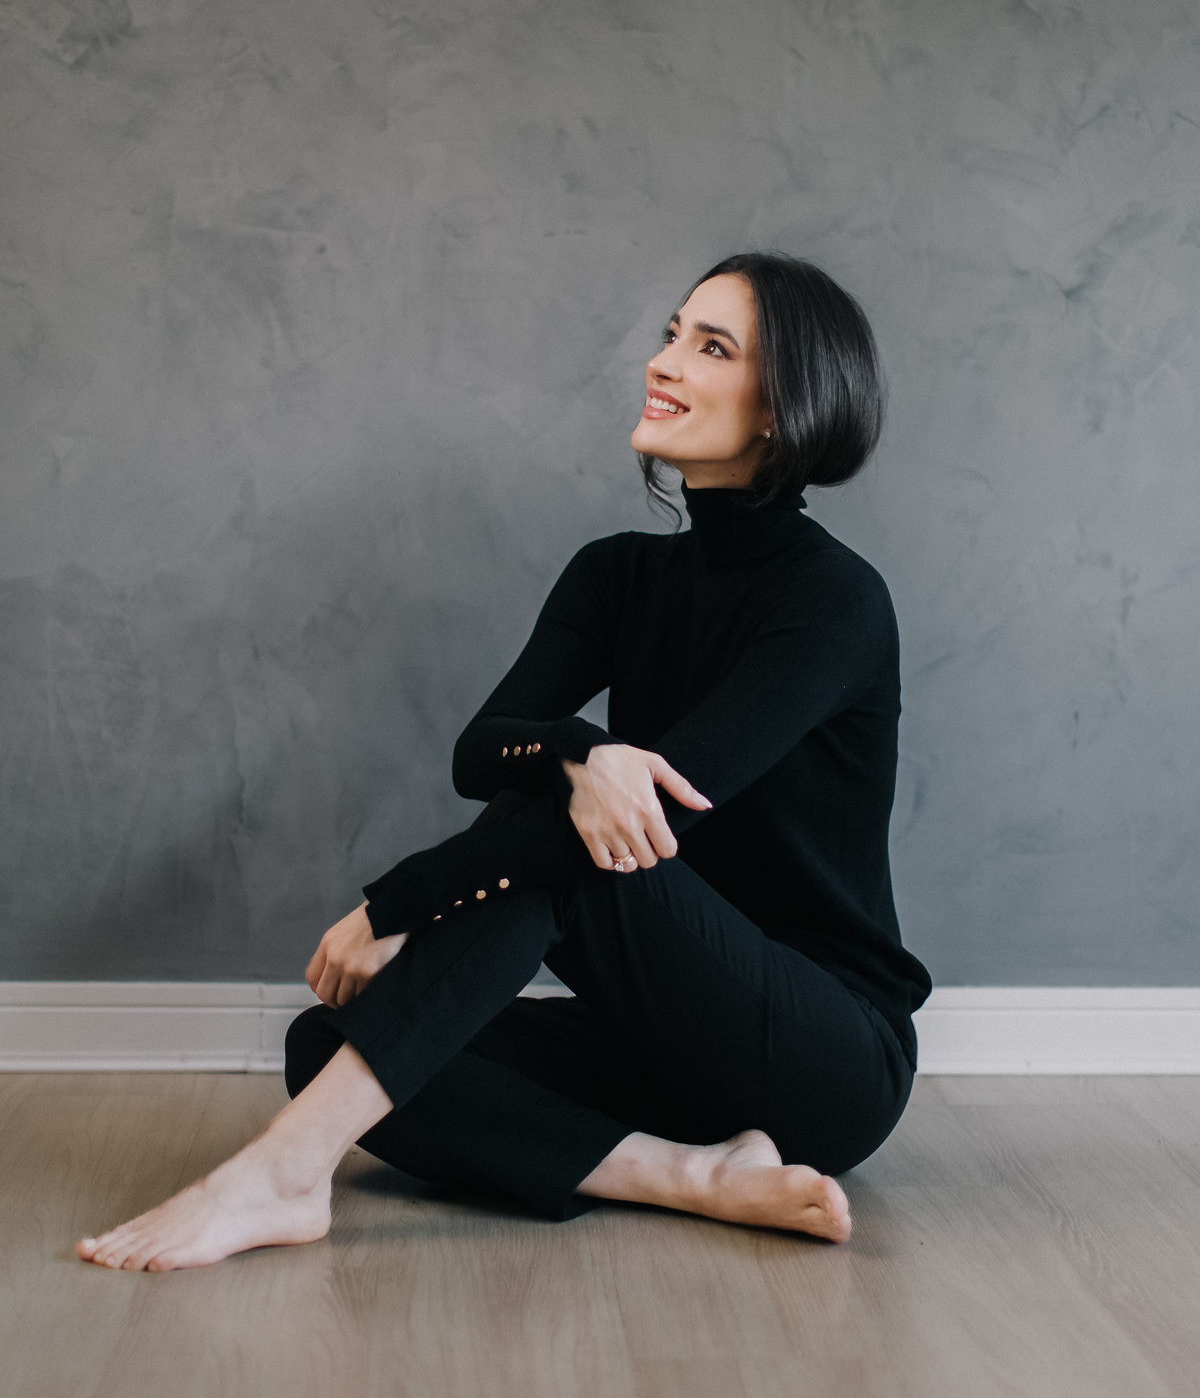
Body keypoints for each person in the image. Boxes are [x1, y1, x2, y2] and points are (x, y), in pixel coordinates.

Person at [77, 253, 931, 1273]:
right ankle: (690, 1174)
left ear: (785, 408)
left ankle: (284, 1172)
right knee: (330, 1047)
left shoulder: (834, 602)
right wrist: (582, 747)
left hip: (824, 1055)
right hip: (662, 1041)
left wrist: (401, 904)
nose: (664, 362)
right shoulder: (617, 574)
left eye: (711, 348)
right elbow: (483, 751)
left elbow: (651, 818)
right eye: (672, 334)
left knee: (587, 842)